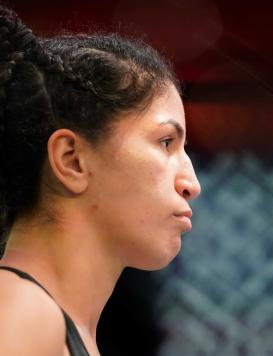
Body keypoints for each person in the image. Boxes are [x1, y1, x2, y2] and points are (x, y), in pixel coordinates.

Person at [0, 5, 201, 356]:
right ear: (72, 160)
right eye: (166, 142)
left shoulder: (53, 323)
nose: (191, 184)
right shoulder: (22, 311)